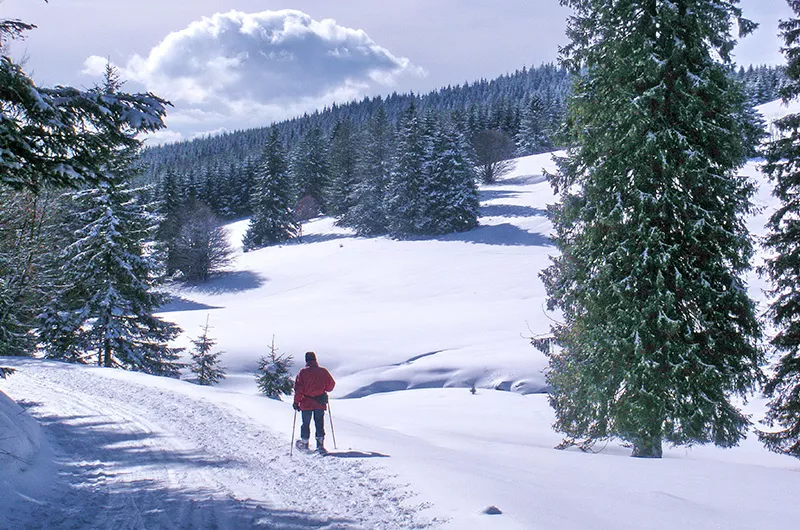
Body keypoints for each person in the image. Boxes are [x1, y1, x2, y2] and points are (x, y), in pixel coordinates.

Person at [293, 351, 335, 453]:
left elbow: (298, 389)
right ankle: (320, 445)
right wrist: (324, 389)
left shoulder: (302, 372)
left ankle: (305, 443)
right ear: (315, 359)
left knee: (305, 423)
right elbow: (331, 385)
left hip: (306, 402)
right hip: (320, 402)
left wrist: (296, 402)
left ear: (306, 360)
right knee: (319, 423)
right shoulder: (323, 371)